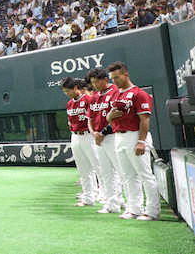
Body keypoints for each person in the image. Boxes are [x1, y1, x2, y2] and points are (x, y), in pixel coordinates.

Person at [106, 62, 160, 221]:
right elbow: (110, 118)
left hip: (135, 135)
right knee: (128, 176)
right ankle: (134, 208)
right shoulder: (116, 95)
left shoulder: (139, 93)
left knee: (145, 175)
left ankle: (152, 211)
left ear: (126, 74)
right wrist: (109, 117)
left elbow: (145, 119)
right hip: (119, 136)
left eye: (117, 77)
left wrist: (141, 141)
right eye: (112, 78)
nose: (115, 81)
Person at [87, 67, 124, 214]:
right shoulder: (94, 96)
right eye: (92, 82)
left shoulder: (115, 91)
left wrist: (102, 132)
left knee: (122, 171)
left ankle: (129, 203)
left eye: (97, 82)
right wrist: (93, 133)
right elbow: (90, 118)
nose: (95, 85)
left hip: (113, 136)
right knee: (106, 173)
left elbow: (117, 116)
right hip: (98, 139)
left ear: (105, 80)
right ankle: (111, 204)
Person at [64, 77, 100, 207]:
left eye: (68, 91)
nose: (67, 94)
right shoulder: (69, 104)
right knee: (83, 170)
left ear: (75, 88)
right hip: (75, 136)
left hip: (88, 135)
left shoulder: (88, 99)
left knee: (98, 166)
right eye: (65, 92)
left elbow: (95, 118)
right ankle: (88, 198)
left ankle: (105, 196)